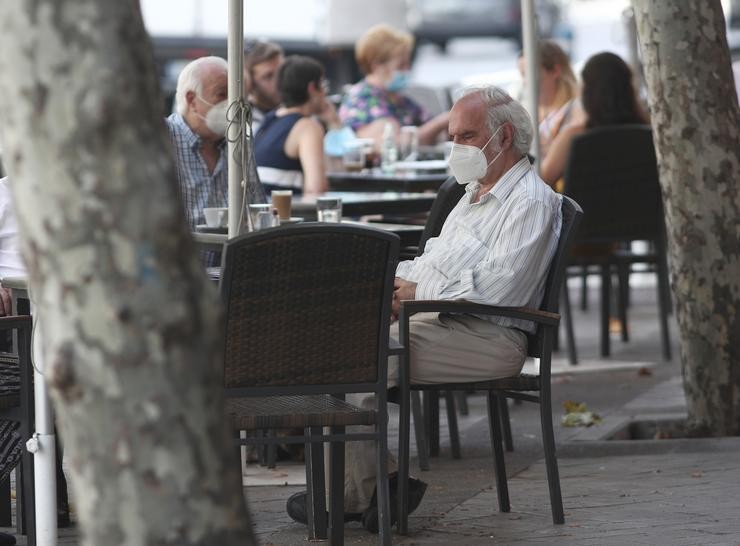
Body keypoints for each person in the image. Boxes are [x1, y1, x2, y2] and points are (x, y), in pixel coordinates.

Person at [286, 85, 562, 533]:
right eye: (453, 136)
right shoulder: (473, 192)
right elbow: (430, 258)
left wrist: (414, 290)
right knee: (335, 348)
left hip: (488, 336)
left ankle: (365, 491)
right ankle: (375, 487)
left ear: (504, 137)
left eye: (466, 136)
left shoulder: (530, 201)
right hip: (443, 321)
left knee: (353, 360)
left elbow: (501, 288)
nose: (455, 147)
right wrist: (393, 283)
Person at [540, 52, 649, 187]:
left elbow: (541, 182)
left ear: (587, 92)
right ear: (629, 87)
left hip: (586, 208)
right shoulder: (648, 132)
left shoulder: (573, 137)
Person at [338, 24, 449, 149]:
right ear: (377, 66)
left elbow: (438, 135)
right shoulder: (363, 100)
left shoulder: (399, 100)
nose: (407, 70)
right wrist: (442, 121)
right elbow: (395, 145)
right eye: (401, 66)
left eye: (408, 63)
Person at [165, 56, 229, 229]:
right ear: (192, 100)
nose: (231, 104)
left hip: (232, 254)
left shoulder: (239, 143)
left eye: (236, 95)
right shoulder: (162, 139)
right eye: (222, 94)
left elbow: (256, 207)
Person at [254, 55, 332, 195]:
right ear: (312, 88)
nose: (325, 93)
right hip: (284, 213)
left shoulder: (269, 120)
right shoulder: (307, 127)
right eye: (323, 84)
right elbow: (316, 189)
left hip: (258, 211)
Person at [518, 40, 583, 158]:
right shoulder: (526, 113)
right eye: (523, 75)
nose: (525, 82)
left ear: (555, 71)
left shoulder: (576, 112)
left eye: (530, 73)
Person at [243, 41, 284, 134]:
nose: (279, 81)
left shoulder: (303, 113)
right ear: (249, 82)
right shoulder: (241, 126)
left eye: (282, 71)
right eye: (269, 76)